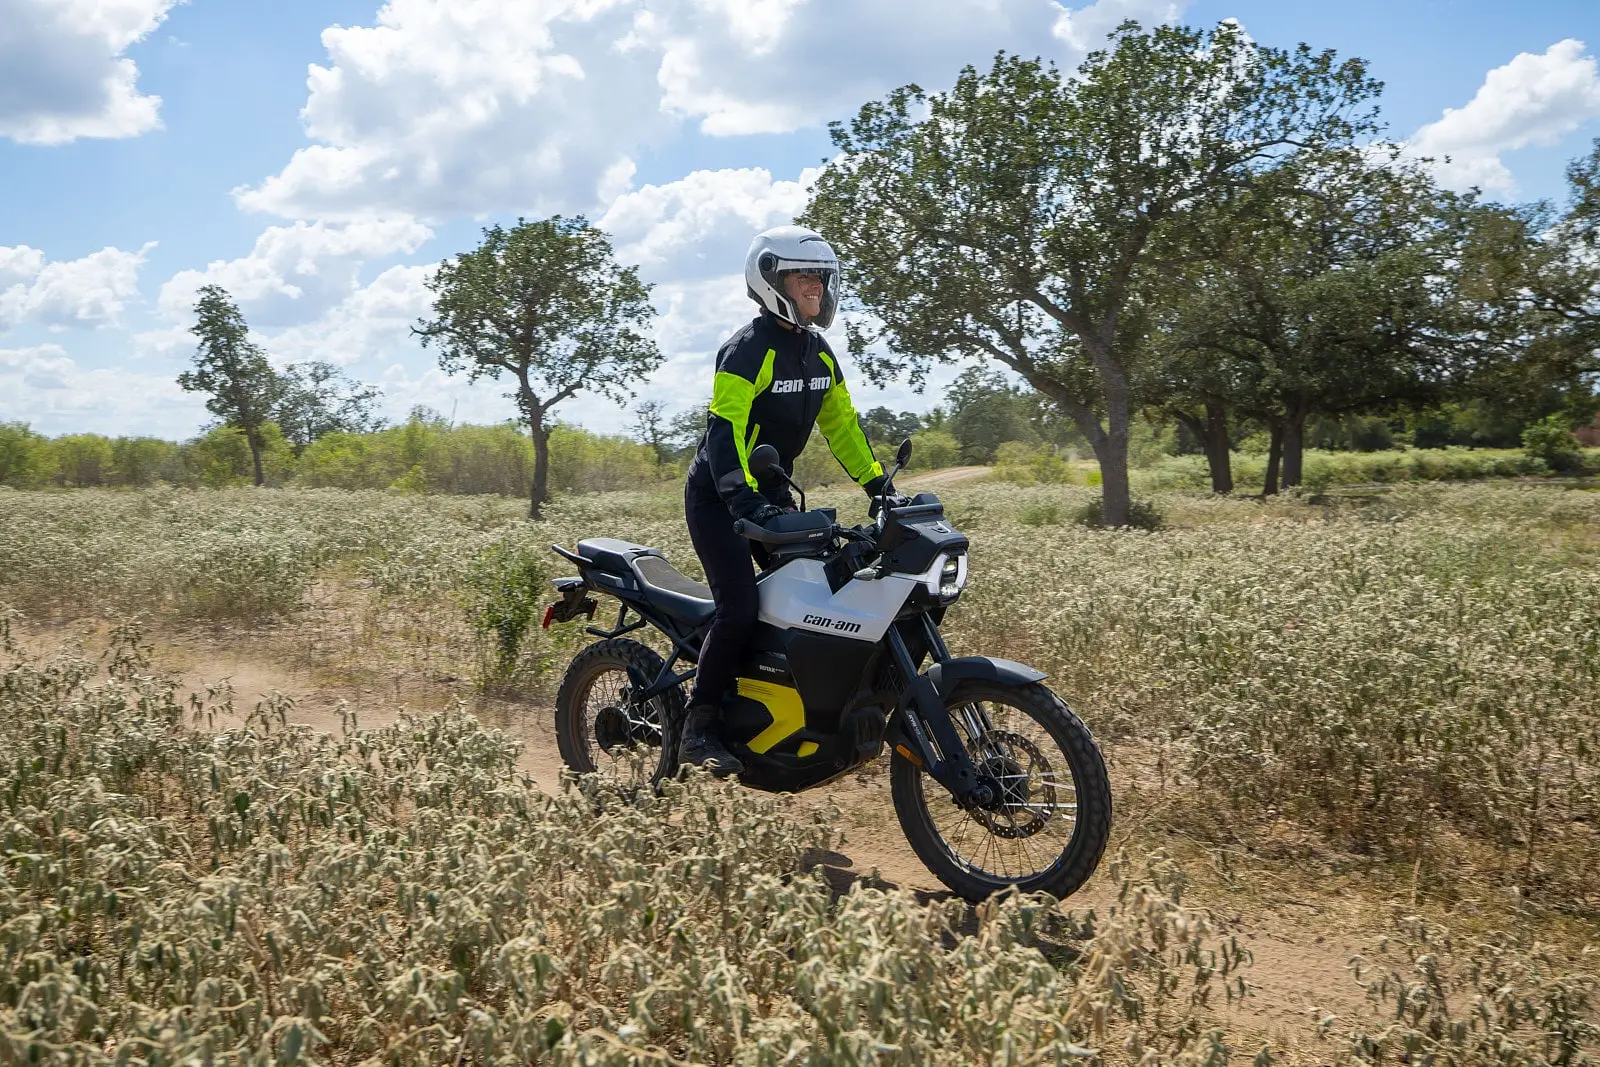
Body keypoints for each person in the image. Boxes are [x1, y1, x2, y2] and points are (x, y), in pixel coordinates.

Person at [680, 225, 891, 775]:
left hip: (769, 494)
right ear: (772, 280)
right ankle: (698, 725)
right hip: (719, 497)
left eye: (821, 278)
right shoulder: (746, 352)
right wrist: (740, 503)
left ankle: (776, 712)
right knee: (740, 607)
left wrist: (879, 487)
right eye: (804, 277)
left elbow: (842, 425)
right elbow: (724, 431)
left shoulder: (817, 353)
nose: (816, 288)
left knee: (812, 594)